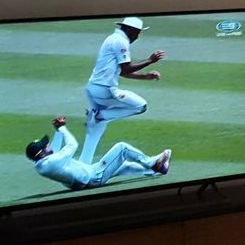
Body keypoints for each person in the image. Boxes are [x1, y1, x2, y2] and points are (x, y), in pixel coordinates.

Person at [81, 15, 167, 162]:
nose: (138, 37)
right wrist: (150, 60)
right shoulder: (120, 41)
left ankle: (84, 162)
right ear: (130, 30)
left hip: (93, 88)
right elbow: (126, 69)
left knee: (95, 129)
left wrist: (145, 76)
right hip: (105, 90)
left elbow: (121, 71)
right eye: (137, 32)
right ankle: (100, 115)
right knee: (140, 106)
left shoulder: (113, 38)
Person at [27, 116, 172, 191]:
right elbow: (72, 145)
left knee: (125, 166)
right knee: (122, 148)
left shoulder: (43, 164)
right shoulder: (50, 163)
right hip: (93, 178)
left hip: (88, 175)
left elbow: (55, 150)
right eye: (44, 147)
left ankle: (156, 170)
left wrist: (58, 130)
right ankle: (153, 163)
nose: (47, 145)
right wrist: (63, 129)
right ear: (40, 154)